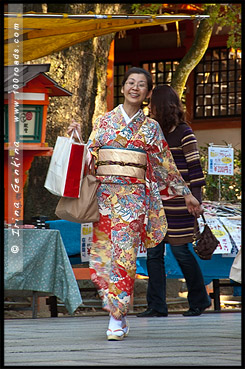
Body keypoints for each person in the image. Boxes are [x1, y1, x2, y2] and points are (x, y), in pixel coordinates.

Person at [67, 68, 202, 341]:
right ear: (123, 87)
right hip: (104, 198)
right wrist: (77, 139)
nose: (135, 88)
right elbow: (90, 160)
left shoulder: (151, 127)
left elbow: (165, 164)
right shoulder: (104, 121)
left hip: (132, 200)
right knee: (104, 256)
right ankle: (117, 309)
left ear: (148, 93)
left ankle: (116, 318)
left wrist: (186, 193)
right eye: (131, 82)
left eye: (141, 85)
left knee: (125, 256)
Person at [137, 85, 211, 318]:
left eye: (151, 104)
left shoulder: (184, 132)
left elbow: (195, 169)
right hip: (155, 203)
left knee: (181, 252)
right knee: (153, 254)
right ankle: (157, 306)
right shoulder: (152, 133)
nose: (148, 108)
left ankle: (200, 300)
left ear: (162, 105)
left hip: (181, 203)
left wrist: (195, 200)